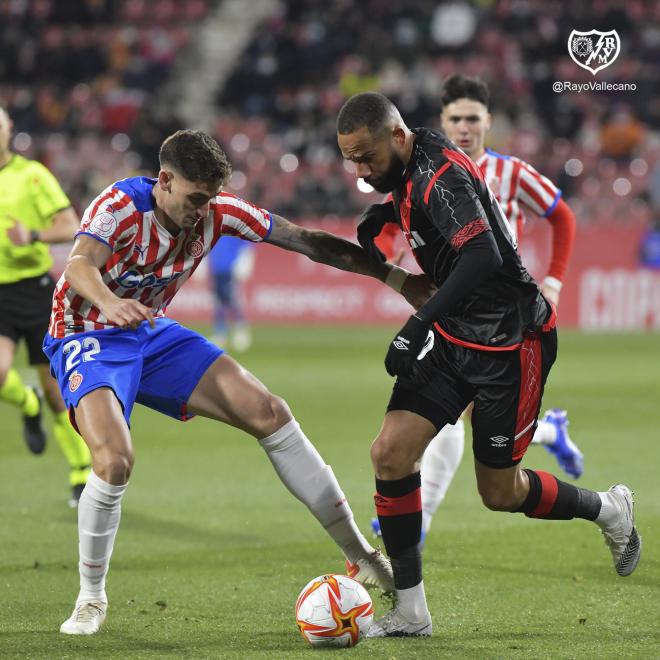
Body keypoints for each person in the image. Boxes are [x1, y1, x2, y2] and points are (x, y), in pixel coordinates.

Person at [45, 129, 433, 635]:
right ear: (164, 180)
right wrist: (110, 303)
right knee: (115, 460)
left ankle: (359, 554)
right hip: (87, 333)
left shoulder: (220, 211)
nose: (201, 211)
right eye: (194, 198)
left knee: (270, 412)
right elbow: (78, 266)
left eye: (209, 199)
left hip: (149, 332)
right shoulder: (119, 205)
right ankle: (91, 598)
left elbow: (307, 241)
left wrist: (397, 281)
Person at [336, 92, 641, 638]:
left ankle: (609, 509)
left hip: (510, 343)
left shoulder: (438, 174)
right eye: (351, 160)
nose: (360, 170)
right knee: (390, 452)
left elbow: (483, 255)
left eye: (366, 158)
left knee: (500, 493)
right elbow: (427, 210)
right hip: (459, 338)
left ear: (398, 138)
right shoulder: (412, 162)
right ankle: (411, 611)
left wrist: (418, 322)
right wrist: (387, 209)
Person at [370, 74, 584, 545]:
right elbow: (401, 223)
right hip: (458, 310)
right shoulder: (417, 170)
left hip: (507, 315)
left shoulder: (506, 172)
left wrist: (554, 279)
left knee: (477, 445)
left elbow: (560, 216)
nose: (464, 127)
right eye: (455, 119)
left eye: (472, 118)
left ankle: (420, 513)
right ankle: (421, 515)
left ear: (488, 120)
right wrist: (386, 235)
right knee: (449, 419)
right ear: (441, 122)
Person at [0, 106, 91, 506]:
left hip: (35, 291)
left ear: (9, 130)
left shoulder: (32, 176)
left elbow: (71, 224)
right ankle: (27, 402)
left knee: (58, 393)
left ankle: (80, 471)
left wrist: (33, 234)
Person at [209, 234, 255, 351]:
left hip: (232, 268)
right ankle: (221, 333)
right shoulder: (212, 225)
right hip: (216, 268)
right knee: (218, 301)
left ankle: (241, 331)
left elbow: (246, 245)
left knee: (234, 300)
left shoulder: (234, 225)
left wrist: (245, 262)